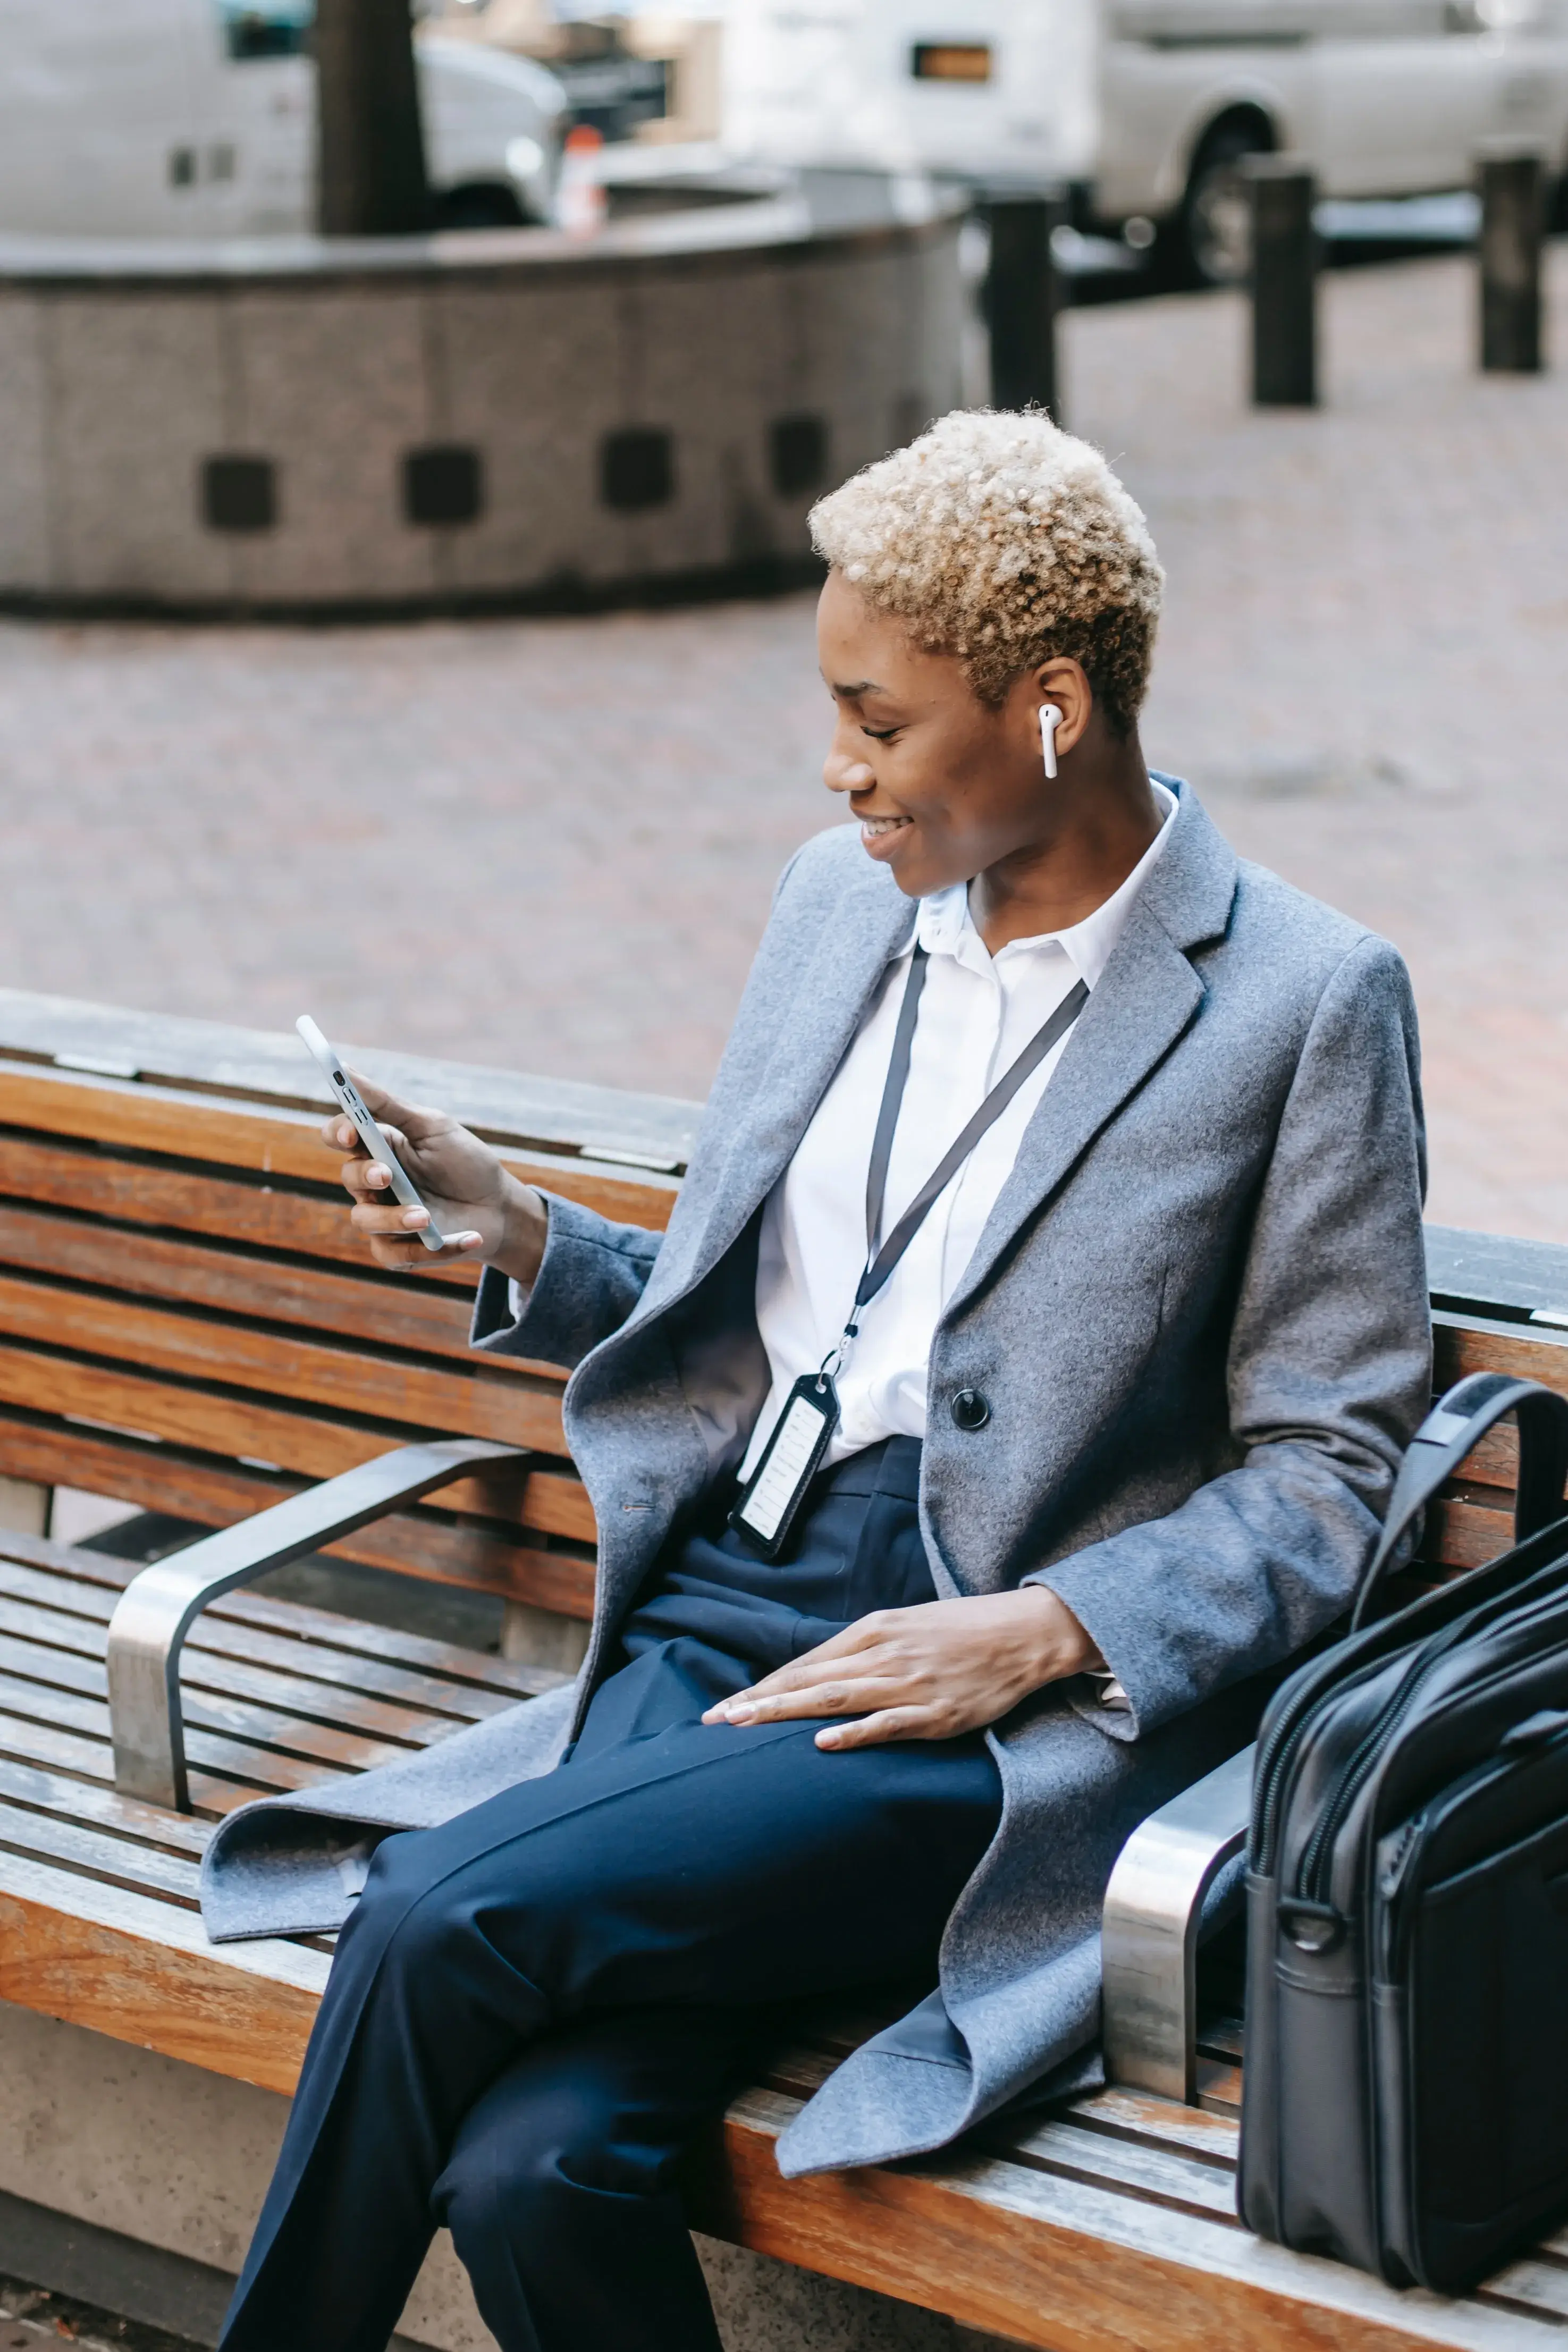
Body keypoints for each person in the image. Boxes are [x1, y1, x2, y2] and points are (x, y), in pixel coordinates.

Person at [214, 410, 1431, 2352]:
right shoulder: (833, 904)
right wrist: (521, 1235)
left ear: (1047, 710)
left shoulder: (1301, 999)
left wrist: (1040, 1629)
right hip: (710, 1609)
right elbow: (776, 1316)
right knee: (539, 2171)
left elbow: (1325, 1471)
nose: (841, 766)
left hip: (960, 1694)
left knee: (434, 1914)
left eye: (879, 720)